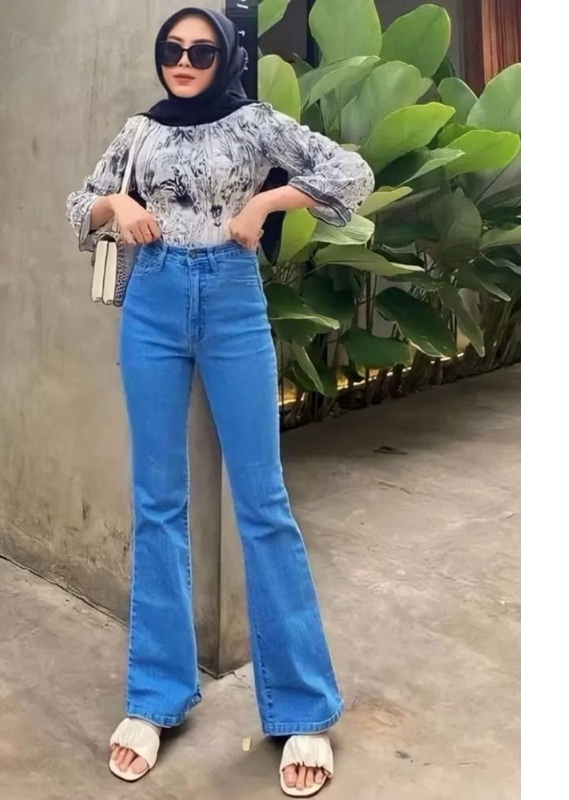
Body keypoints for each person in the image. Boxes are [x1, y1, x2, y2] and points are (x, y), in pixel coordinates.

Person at [66, 7, 374, 796]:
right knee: (157, 500)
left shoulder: (255, 123)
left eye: (201, 51)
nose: (184, 61)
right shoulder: (140, 131)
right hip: (152, 303)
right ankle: (154, 697)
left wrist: (266, 206)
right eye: (172, 49)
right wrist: (116, 208)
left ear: (226, 56)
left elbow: (349, 172)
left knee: (263, 502)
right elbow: (79, 205)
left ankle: (302, 707)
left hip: (233, 299)